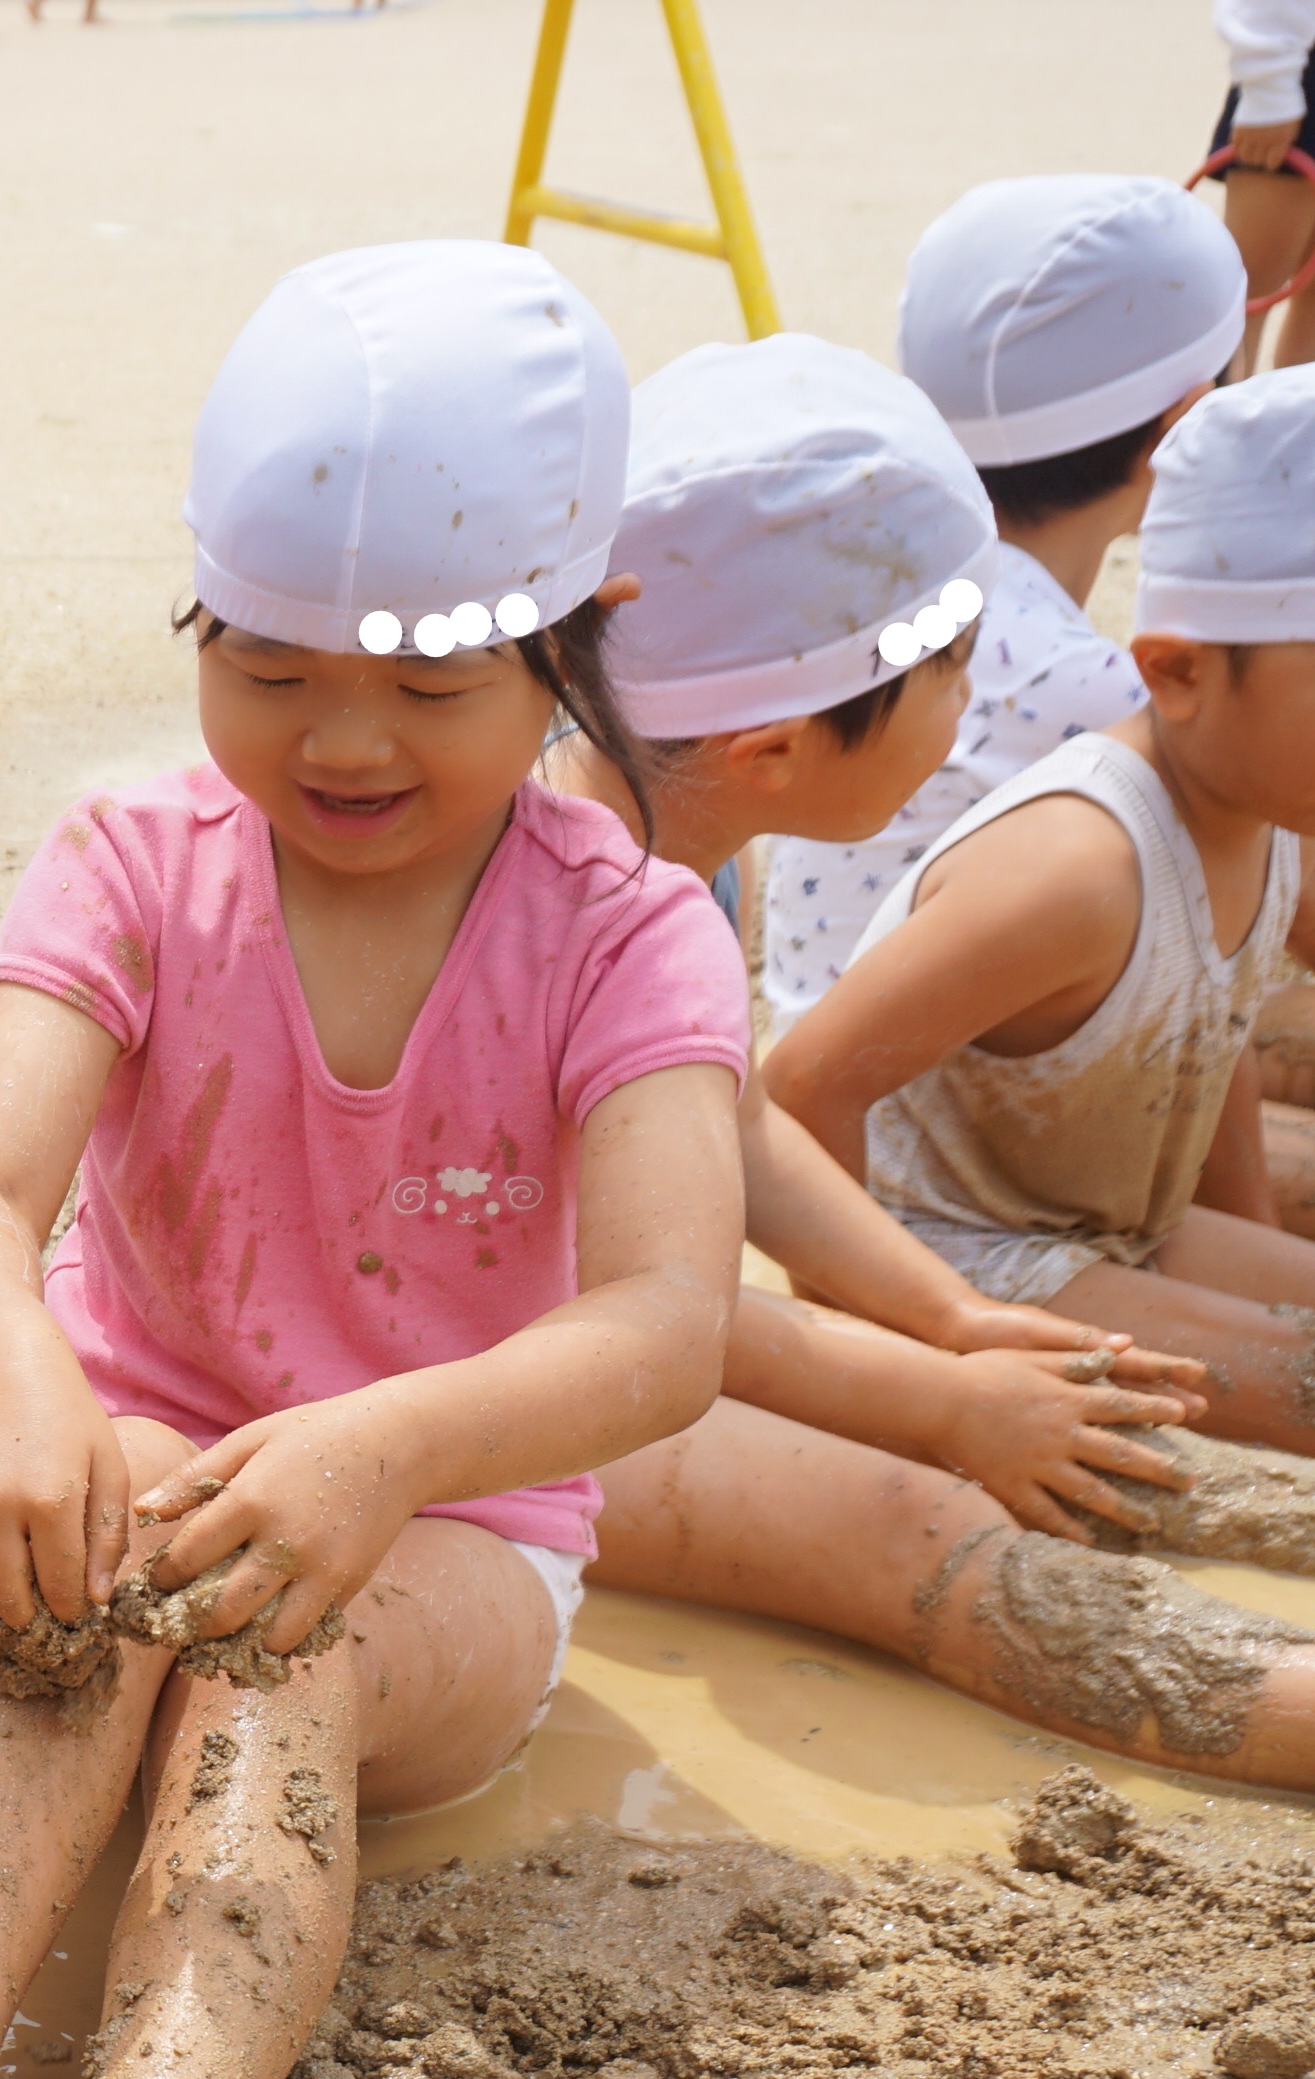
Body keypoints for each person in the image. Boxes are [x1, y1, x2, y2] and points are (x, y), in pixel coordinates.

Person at [0, 243, 751, 2079]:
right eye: (265, 671)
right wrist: (13, 1370)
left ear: (581, 645)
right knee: (55, 1638)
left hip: (450, 1540)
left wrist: (379, 1452)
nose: (343, 740)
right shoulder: (130, 857)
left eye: (434, 691)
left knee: (275, 1650)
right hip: (136, 1474)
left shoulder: (629, 933)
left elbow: (670, 1324)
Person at [552, 336, 1315, 1784]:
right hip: (498, 1391)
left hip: (587, 1349)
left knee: (1037, 1449)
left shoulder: (679, 864)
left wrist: (946, 1323)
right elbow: (658, 1309)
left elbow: (742, 1134)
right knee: (915, 1528)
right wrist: (939, 1394)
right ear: (778, 749)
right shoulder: (591, 914)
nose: (979, 708)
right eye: (954, 667)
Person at [763, 369, 1315, 1457]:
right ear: (1178, 671)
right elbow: (794, 1091)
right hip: (960, 1251)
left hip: (1115, 1227)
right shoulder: (1076, 870)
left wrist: (1248, 1255)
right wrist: (878, 1350)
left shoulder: (1268, 807)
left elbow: (1219, 1031)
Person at [754, 176, 1240, 1028]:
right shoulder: (1099, 692)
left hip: (820, 1054)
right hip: (921, 1134)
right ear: (1183, 429)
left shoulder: (891, 575)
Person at [1216, 0, 1315, 371]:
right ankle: (1215, 426)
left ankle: (1301, 427)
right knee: (1246, 290)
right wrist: (1269, 86)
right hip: (1295, 80)